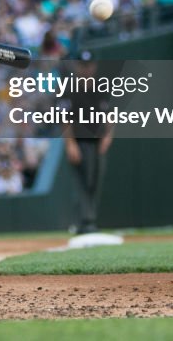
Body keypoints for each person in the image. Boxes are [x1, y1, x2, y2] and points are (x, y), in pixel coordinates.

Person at [62, 50, 114, 235]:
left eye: (89, 65)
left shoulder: (101, 87)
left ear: (94, 66)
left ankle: (90, 220)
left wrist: (108, 137)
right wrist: (70, 144)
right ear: (77, 67)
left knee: (95, 182)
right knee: (82, 182)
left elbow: (109, 115)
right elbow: (65, 119)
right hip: (81, 142)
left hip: (98, 142)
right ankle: (84, 222)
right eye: (83, 65)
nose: (86, 69)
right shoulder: (70, 89)